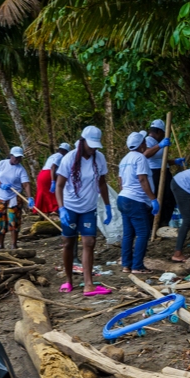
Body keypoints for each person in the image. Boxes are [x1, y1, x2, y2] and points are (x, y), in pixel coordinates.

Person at [56, 126, 112, 296]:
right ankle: (68, 280)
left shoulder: (99, 158)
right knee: (68, 243)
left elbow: (102, 182)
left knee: (89, 242)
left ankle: (89, 284)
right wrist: (61, 208)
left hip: (89, 207)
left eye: (95, 146)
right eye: (90, 145)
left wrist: (108, 205)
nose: (93, 149)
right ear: (82, 142)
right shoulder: (69, 158)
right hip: (71, 206)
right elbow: (59, 185)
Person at [117, 132, 160, 273]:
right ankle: (137, 266)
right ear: (141, 144)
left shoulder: (124, 159)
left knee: (128, 234)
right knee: (143, 233)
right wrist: (153, 199)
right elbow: (142, 179)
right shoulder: (140, 158)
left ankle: (126, 265)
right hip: (135, 200)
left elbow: (120, 182)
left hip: (123, 198)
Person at [0, 146, 33, 250]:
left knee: (14, 221)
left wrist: (30, 197)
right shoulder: (2, 164)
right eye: (16, 157)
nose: (18, 159)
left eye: (20, 158)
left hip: (14, 197)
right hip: (1, 197)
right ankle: (1, 245)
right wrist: (1, 185)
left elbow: (26, 184)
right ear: (11, 156)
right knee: (1, 220)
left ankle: (13, 244)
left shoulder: (20, 169)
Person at [142, 119, 174, 226]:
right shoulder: (149, 140)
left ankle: (163, 222)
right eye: (163, 133)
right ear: (159, 132)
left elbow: (161, 159)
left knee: (169, 198)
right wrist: (160, 146)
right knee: (158, 198)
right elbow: (145, 154)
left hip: (164, 170)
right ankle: (153, 224)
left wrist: (175, 161)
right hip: (155, 172)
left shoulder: (157, 142)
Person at [35, 142, 69, 214]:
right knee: (52, 194)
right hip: (48, 175)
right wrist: (53, 181)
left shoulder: (53, 155)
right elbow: (53, 167)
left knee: (43, 193)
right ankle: (54, 209)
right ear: (65, 152)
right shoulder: (60, 156)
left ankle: (43, 212)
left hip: (42, 174)